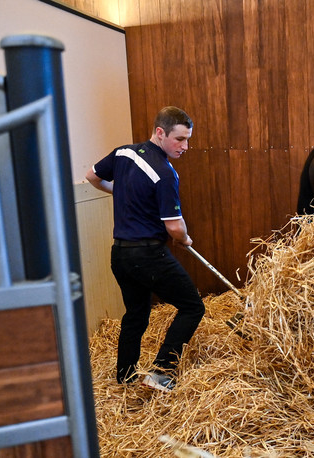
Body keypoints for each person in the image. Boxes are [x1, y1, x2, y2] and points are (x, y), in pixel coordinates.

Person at [85, 106, 205, 392]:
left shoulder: (123, 153)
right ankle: (161, 372)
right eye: (179, 139)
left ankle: (125, 375)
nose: (185, 146)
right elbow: (175, 228)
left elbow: (91, 176)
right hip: (148, 256)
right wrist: (185, 239)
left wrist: (121, 192)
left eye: (188, 140)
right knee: (192, 307)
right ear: (160, 132)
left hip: (121, 255)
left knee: (136, 313)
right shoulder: (164, 173)